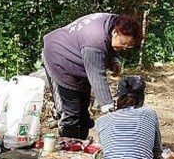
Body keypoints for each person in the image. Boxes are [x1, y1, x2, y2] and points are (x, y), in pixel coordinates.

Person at [42, 12, 142, 140]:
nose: (125, 48)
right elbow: (97, 77)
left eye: (129, 46)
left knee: (83, 113)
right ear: (116, 33)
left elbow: (108, 46)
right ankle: (68, 153)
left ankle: (82, 146)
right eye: (123, 44)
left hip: (77, 56)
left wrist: (114, 61)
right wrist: (110, 110)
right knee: (72, 113)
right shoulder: (94, 41)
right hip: (58, 57)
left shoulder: (114, 22)